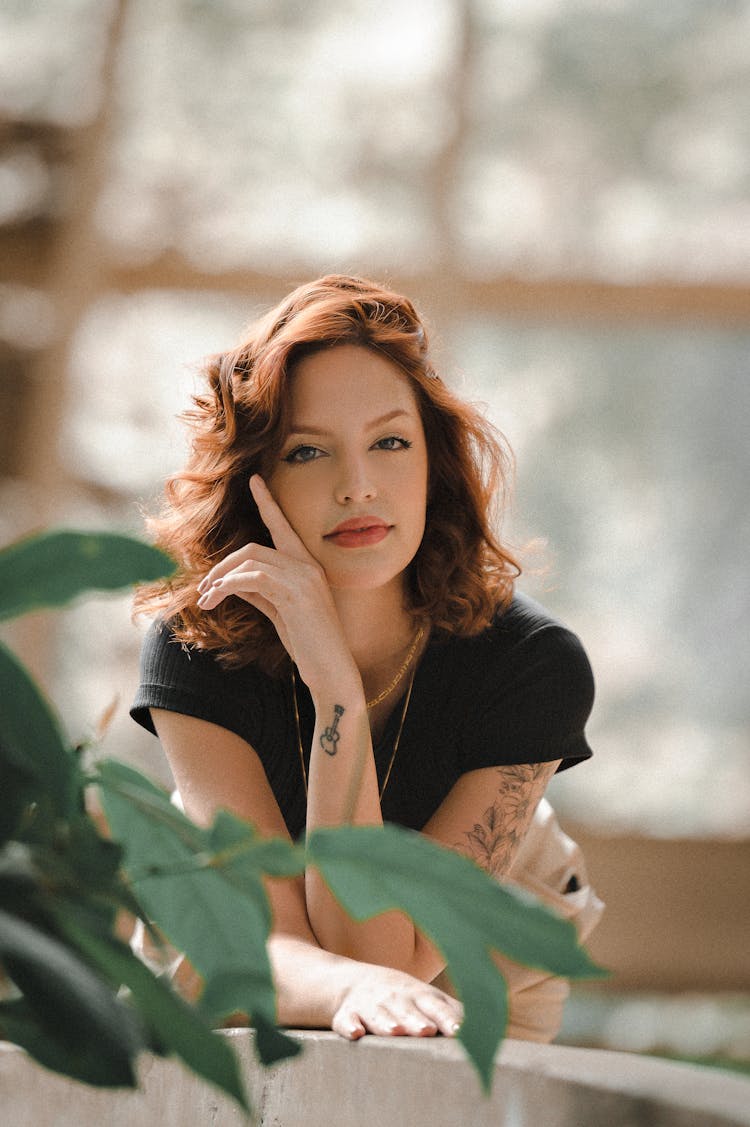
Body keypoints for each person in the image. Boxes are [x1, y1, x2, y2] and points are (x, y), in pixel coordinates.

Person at [130, 274, 602, 1043]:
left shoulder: (532, 666)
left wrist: (335, 692)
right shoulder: (199, 642)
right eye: (309, 450)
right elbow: (269, 945)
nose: (357, 486)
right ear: (258, 478)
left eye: (390, 442)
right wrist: (332, 683)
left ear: (432, 464)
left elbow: (387, 952)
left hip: (477, 955)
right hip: (241, 950)